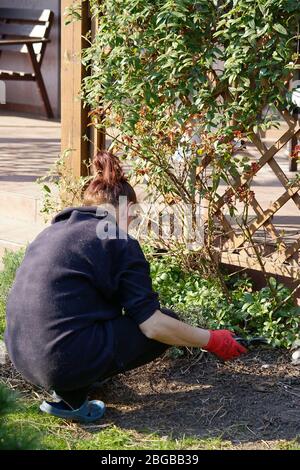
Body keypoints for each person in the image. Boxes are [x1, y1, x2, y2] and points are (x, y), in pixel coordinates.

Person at [4, 151, 247, 423]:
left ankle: (76, 380)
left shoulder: (52, 232)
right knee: (165, 323)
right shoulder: (118, 240)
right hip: (58, 362)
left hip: (22, 355)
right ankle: (72, 398)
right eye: (133, 215)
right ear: (126, 207)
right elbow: (153, 325)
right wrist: (212, 339)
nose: (133, 222)